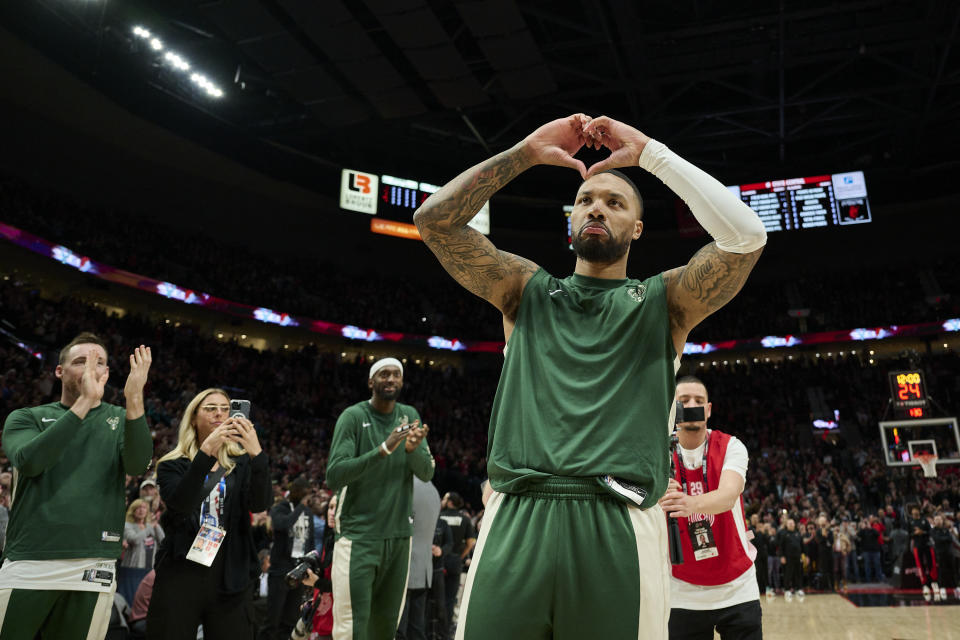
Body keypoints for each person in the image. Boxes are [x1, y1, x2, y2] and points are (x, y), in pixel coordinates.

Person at [414, 114, 766, 639]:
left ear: (637, 229)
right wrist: (526, 152)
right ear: (571, 222)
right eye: (585, 200)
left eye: (615, 202)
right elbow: (434, 221)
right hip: (517, 514)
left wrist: (651, 154)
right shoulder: (522, 288)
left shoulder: (663, 303)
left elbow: (746, 236)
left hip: (619, 519)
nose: (596, 206)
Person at [0, 333, 153, 639]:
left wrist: (134, 398)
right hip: (29, 561)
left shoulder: (121, 418)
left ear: (107, 373)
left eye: (99, 364)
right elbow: (30, 462)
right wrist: (84, 403)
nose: (89, 370)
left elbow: (137, 465)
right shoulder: (25, 417)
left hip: (93, 562)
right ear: (60, 371)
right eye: (80, 362)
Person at [146, 388, 271, 639]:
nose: (219, 413)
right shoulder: (172, 464)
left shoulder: (242, 463)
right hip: (181, 571)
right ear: (194, 417)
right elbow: (180, 504)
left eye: (225, 408)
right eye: (210, 408)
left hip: (231, 572)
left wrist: (257, 455)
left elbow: (260, 504)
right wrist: (206, 453)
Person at [326, 358, 435, 640]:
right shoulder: (352, 416)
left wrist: (413, 451)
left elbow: (427, 473)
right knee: (352, 627)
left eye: (396, 375)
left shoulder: (409, 414)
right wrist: (384, 449)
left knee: (385, 628)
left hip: (399, 537)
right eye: (384, 374)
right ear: (371, 382)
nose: (391, 379)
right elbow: (335, 475)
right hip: (359, 536)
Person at [658, 376, 760, 640]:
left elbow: (728, 495)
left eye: (699, 401)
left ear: (709, 409)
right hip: (681, 589)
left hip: (738, 586)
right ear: (672, 408)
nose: (692, 405)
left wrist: (687, 503)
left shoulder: (731, 446)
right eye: (683, 401)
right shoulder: (657, 452)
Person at [264, 476, 315, 640]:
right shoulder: (280, 508)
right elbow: (283, 525)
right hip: (280, 570)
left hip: (298, 570)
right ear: (296, 493)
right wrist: (300, 508)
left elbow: (310, 539)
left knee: (290, 620)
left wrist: (309, 566)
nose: (307, 498)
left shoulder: (307, 511)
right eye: (304, 494)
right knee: (273, 619)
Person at [398, 478, 443, 640]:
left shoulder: (406, 485)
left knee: (399, 629)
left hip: (403, 568)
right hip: (423, 569)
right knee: (417, 629)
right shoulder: (434, 491)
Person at [439, 492, 476, 635]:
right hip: (454, 561)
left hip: (438, 561)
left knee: (434, 596)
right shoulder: (465, 519)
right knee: (450, 599)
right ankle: (446, 631)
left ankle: (432, 630)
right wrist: (461, 556)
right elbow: (471, 542)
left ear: (449, 502)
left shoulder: (439, 516)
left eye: (445, 498)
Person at [119, 498, 165, 605]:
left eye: (144, 508)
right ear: (133, 511)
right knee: (131, 599)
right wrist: (149, 528)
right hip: (133, 570)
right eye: (138, 508)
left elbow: (163, 541)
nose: (141, 510)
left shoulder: (151, 526)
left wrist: (156, 525)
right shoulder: (128, 526)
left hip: (149, 569)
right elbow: (135, 540)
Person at [907, 506, 938, 601]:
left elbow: (930, 532)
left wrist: (922, 532)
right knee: (920, 566)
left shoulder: (925, 520)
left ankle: (934, 583)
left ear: (919, 511)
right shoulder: (910, 522)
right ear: (911, 512)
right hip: (917, 546)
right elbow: (909, 534)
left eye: (916, 510)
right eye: (913, 510)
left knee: (931, 564)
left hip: (927, 545)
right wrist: (915, 534)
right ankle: (924, 585)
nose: (915, 511)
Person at [777, 519, 804, 602]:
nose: (791, 524)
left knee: (798, 573)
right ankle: (787, 590)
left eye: (792, 523)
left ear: (795, 524)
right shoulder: (784, 534)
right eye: (789, 523)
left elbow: (802, 545)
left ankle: (799, 589)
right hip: (788, 558)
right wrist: (781, 556)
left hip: (798, 557)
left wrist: (804, 555)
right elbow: (780, 547)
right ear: (787, 525)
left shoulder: (798, 533)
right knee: (788, 574)